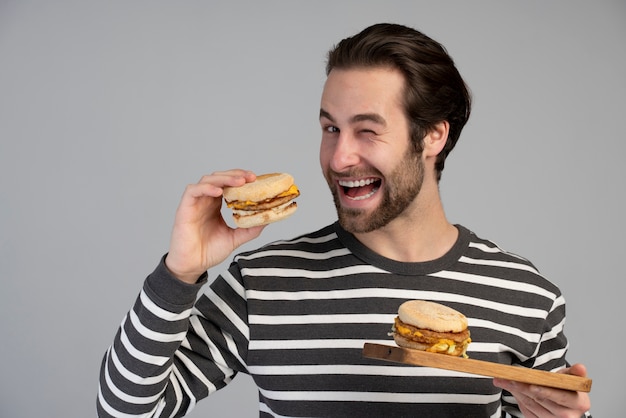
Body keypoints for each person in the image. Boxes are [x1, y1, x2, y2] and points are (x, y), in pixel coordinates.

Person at [97, 23, 591, 417]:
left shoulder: (526, 296)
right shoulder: (265, 282)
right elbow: (126, 411)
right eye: (330, 128)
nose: (338, 158)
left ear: (433, 137)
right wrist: (179, 273)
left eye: (367, 130)